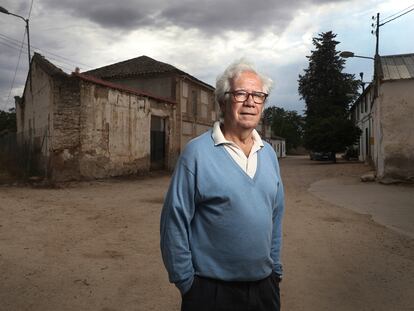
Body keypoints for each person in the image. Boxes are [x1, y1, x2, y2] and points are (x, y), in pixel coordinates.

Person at [160, 59, 285, 311]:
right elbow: (174, 222)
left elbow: (275, 217)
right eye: (241, 93)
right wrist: (188, 284)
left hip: (264, 289)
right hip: (211, 293)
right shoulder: (196, 153)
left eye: (258, 95)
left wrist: (276, 272)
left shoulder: (269, 154)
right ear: (222, 101)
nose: (250, 102)